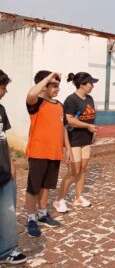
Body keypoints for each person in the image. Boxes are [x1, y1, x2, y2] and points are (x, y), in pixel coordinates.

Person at [25, 71, 71, 237]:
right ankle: (31, 218)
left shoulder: (59, 105)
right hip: (38, 152)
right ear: (44, 86)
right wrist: (47, 78)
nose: (58, 89)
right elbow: (31, 94)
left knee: (46, 186)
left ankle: (42, 214)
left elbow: (63, 128)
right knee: (33, 188)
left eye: (58, 86)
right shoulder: (36, 103)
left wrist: (68, 148)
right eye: (54, 85)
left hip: (54, 153)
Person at [53, 72, 98, 213]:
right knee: (74, 171)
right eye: (90, 83)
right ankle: (59, 200)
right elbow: (69, 120)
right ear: (82, 84)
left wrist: (93, 130)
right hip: (74, 140)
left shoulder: (90, 99)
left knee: (83, 169)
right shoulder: (71, 100)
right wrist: (87, 126)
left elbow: (91, 117)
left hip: (86, 139)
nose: (92, 86)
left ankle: (78, 197)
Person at [0, 70, 27, 265]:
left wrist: (11, 164)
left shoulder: (1, 109)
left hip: (3, 172)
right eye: (3, 87)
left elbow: (4, 139)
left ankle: (6, 250)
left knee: (8, 213)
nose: (5, 91)